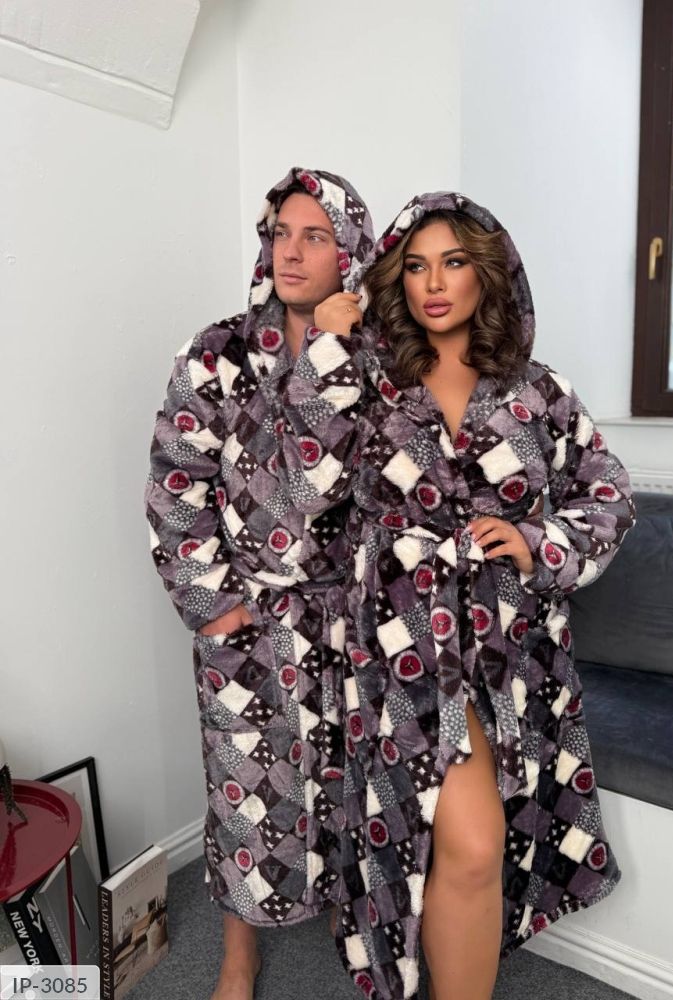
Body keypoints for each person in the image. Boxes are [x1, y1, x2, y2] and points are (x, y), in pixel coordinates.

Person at [278, 192, 637, 1000]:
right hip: (400, 641)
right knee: (465, 841)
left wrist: (541, 540)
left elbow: (609, 493)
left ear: (489, 273)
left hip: (514, 647)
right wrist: (327, 350)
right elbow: (304, 487)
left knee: (474, 845)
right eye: (415, 266)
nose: (433, 283)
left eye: (454, 262)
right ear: (395, 279)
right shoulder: (369, 379)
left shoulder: (538, 392)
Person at [144, 167, 373, 1000]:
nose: (291, 252)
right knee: (246, 793)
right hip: (248, 615)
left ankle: (354, 925)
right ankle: (237, 956)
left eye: (316, 236)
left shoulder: (383, 359)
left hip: (348, 620)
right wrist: (211, 606)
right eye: (281, 233)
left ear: (351, 252)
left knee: (352, 786)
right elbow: (177, 482)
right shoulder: (218, 353)